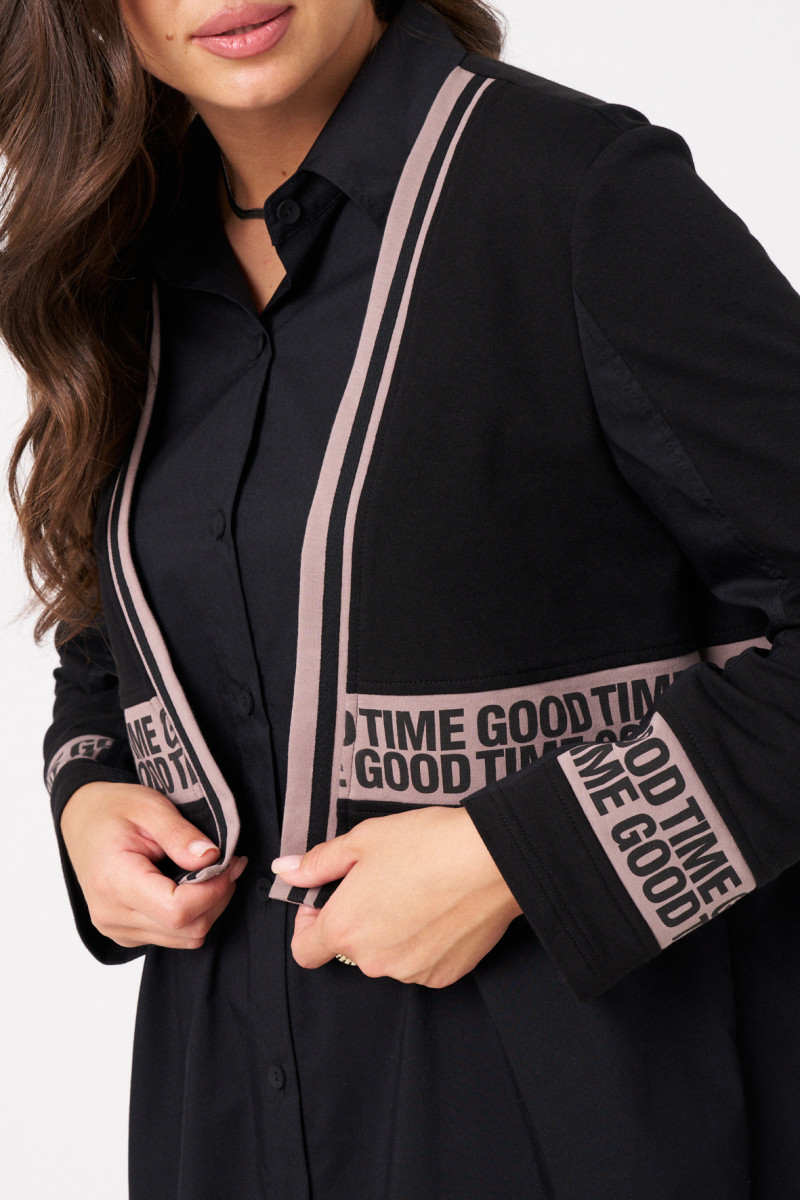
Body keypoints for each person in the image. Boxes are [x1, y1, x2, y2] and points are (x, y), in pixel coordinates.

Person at [3, 0, 800, 1196]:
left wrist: (523, 858)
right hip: (225, 1114)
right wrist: (89, 786)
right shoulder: (121, 248)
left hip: (575, 1123)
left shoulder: (571, 194)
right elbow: (113, 626)